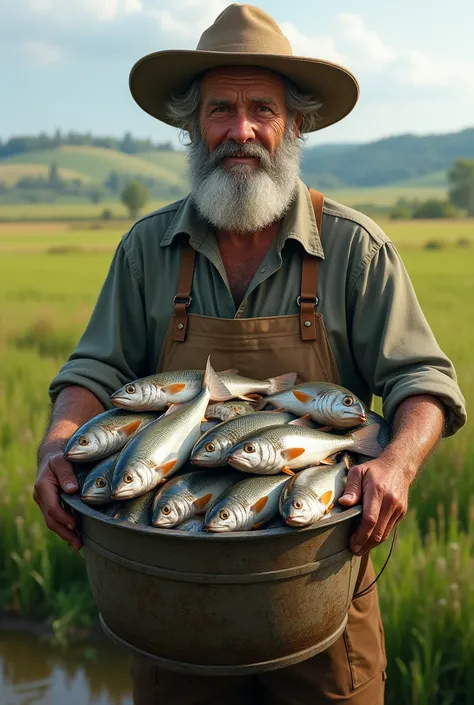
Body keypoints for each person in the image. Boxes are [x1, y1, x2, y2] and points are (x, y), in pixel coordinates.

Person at [34, 4, 466, 704]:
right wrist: (58, 442)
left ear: (296, 125)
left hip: (323, 613)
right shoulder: (147, 250)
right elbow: (94, 371)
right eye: (220, 110)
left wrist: (395, 461)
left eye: (262, 109)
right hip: (175, 615)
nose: (241, 131)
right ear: (191, 127)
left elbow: (424, 381)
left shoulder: (354, 249)